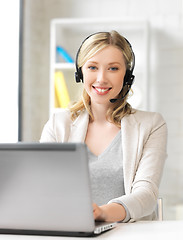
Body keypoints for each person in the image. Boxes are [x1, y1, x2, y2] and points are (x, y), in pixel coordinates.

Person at [40, 31, 167, 223]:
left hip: (129, 234)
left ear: (127, 75)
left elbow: (146, 194)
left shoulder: (151, 125)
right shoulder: (58, 124)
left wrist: (102, 213)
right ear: (80, 72)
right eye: (92, 67)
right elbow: (42, 185)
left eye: (113, 68)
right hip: (71, 231)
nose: (101, 78)